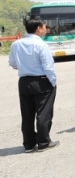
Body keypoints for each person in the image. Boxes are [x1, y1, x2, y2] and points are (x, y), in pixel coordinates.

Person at [8, 18, 60, 152]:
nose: (45, 29)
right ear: (38, 28)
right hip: (42, 81)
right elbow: (48, 67)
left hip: (24, 82)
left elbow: (13, 63)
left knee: (27, 113)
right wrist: (53, 82)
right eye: (44, 27)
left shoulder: (16, 44)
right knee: (44, 113)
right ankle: (43, 142)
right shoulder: (41, 45)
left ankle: (29, 144)